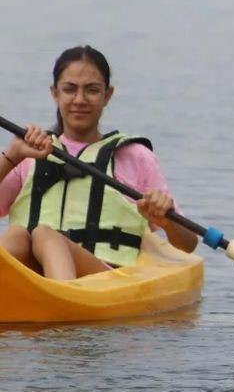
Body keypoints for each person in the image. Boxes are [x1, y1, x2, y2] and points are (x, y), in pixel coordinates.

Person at [0, 45, 197, 280]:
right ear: (55, 93)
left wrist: (166, 219)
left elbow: (188, 243)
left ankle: (66, 298)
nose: (80, 100)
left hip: (104, 280)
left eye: (91, 90)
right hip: (32, 280)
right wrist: (12, 157)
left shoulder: (134, 156)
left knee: (45, 234)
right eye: (70, 89)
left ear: (107, 95)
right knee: (17, 235)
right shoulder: (28, 155)